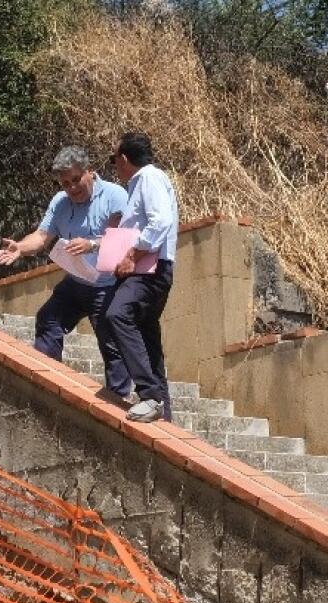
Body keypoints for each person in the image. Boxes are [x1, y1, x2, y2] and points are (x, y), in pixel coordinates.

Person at [0, 146, 133, 399]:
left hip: (107, 283)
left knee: (112, 343)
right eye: (65, 183)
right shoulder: (60, 201)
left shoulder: (115, 196)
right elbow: (41, 236)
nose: (72, 188)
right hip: (76, 280)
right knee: (48, 319)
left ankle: (119, 400)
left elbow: (122, 239)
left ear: (90, 172)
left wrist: (91, 244)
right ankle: (47, 380)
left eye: (76, 179)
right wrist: (20, 248)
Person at [106, 132, 179, 423]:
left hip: (149, 270)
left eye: (114, 159)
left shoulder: (149, 178)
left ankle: (149, 396)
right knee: (146, 333)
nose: (114, 165)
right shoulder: (143, 184)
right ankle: (163, 412)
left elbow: (161, 221)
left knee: (117, 315)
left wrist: (131, 255)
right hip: (150, 269)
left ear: (124, 159)